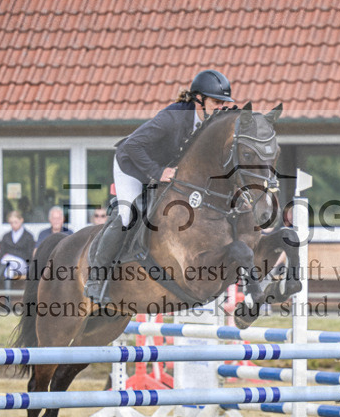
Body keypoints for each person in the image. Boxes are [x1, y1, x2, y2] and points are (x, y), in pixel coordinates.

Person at [84, 69, 236, 303]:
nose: (220, 108)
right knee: (129, 215)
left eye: (224, 104)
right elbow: (133, 146)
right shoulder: (171, 118)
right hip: (131, 165)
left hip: (163, 170)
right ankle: (95, 278)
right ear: (199, 99)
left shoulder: (207, 122)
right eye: (216, 102)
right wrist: (157, 172)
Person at [0, 209, 36, 288]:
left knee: (7, 260)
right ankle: (8, 299)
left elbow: (29, 255)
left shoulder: (28, 236)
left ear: (21, 220)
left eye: (16, 222)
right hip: (8, 264)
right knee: (8, 270)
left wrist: (12, 254)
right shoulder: (6, 236)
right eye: (11, 223)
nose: (13, 225)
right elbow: (2, 254)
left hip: (23, 266)